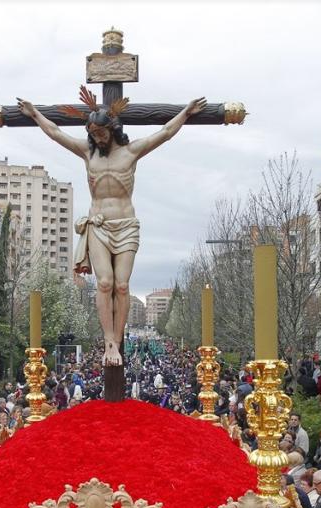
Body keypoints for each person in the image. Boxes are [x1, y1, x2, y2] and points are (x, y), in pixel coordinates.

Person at [18, 92, 206, 367]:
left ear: (113, 129)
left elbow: (165, 133)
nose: (98, 138)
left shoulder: (131, 152)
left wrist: (186, 113)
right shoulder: (87, 152)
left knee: (122, 285)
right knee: (104, 283)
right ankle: (108, 342)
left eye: (101, 132)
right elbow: (57, 134)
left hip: (126, 225)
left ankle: (117, 341)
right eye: (93, 133)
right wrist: (34, 114)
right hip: (99, 225)